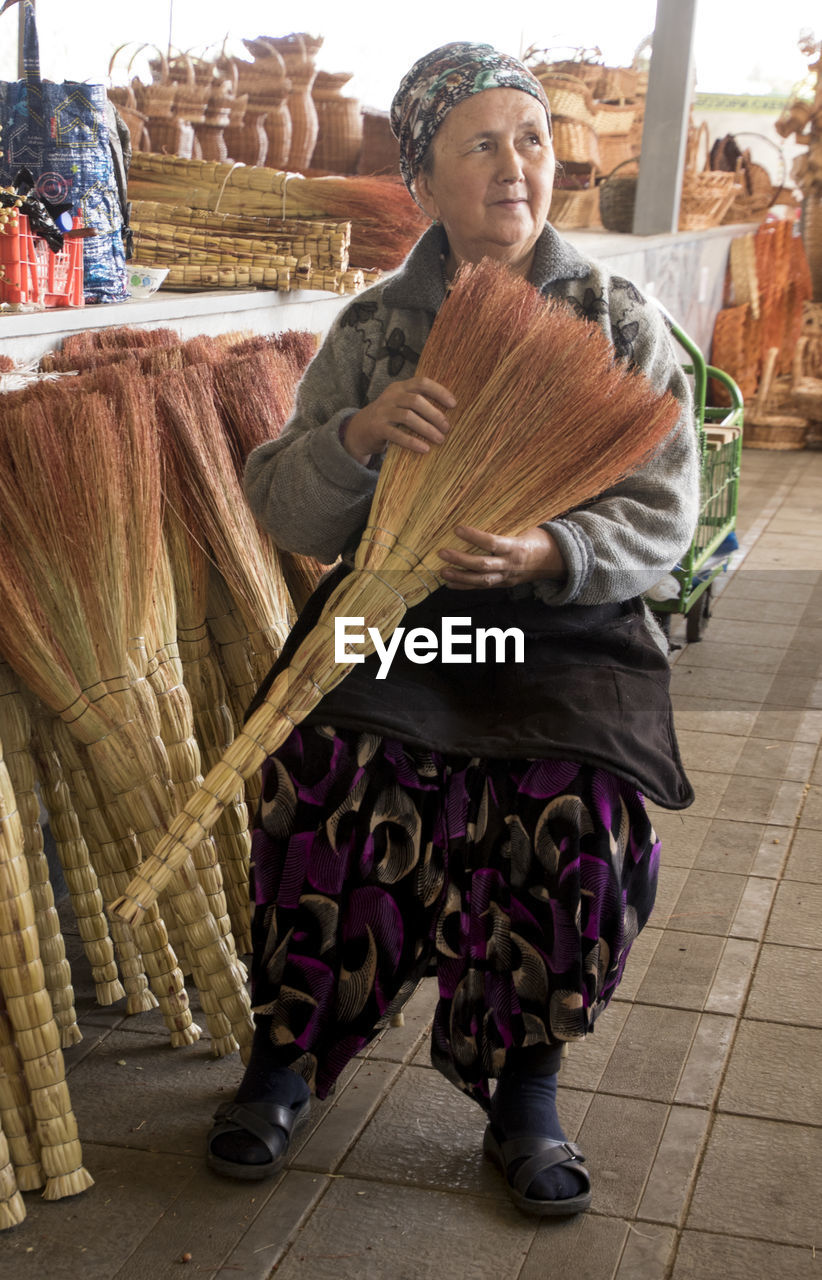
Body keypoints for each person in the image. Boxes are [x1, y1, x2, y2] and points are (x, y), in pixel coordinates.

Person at [207, 41, 699, 1217]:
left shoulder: (616, 320)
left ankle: (525, 1080)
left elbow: (664, 509)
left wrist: (552, 550)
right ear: (423, 177)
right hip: (408, 618)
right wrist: (361, 434)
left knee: (577, 799)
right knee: (331, 769)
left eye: (530, 139)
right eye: (481, 144)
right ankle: (285, 1054)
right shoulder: (377, 328)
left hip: (559, 633)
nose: (516, 165)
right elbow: (284, 503)